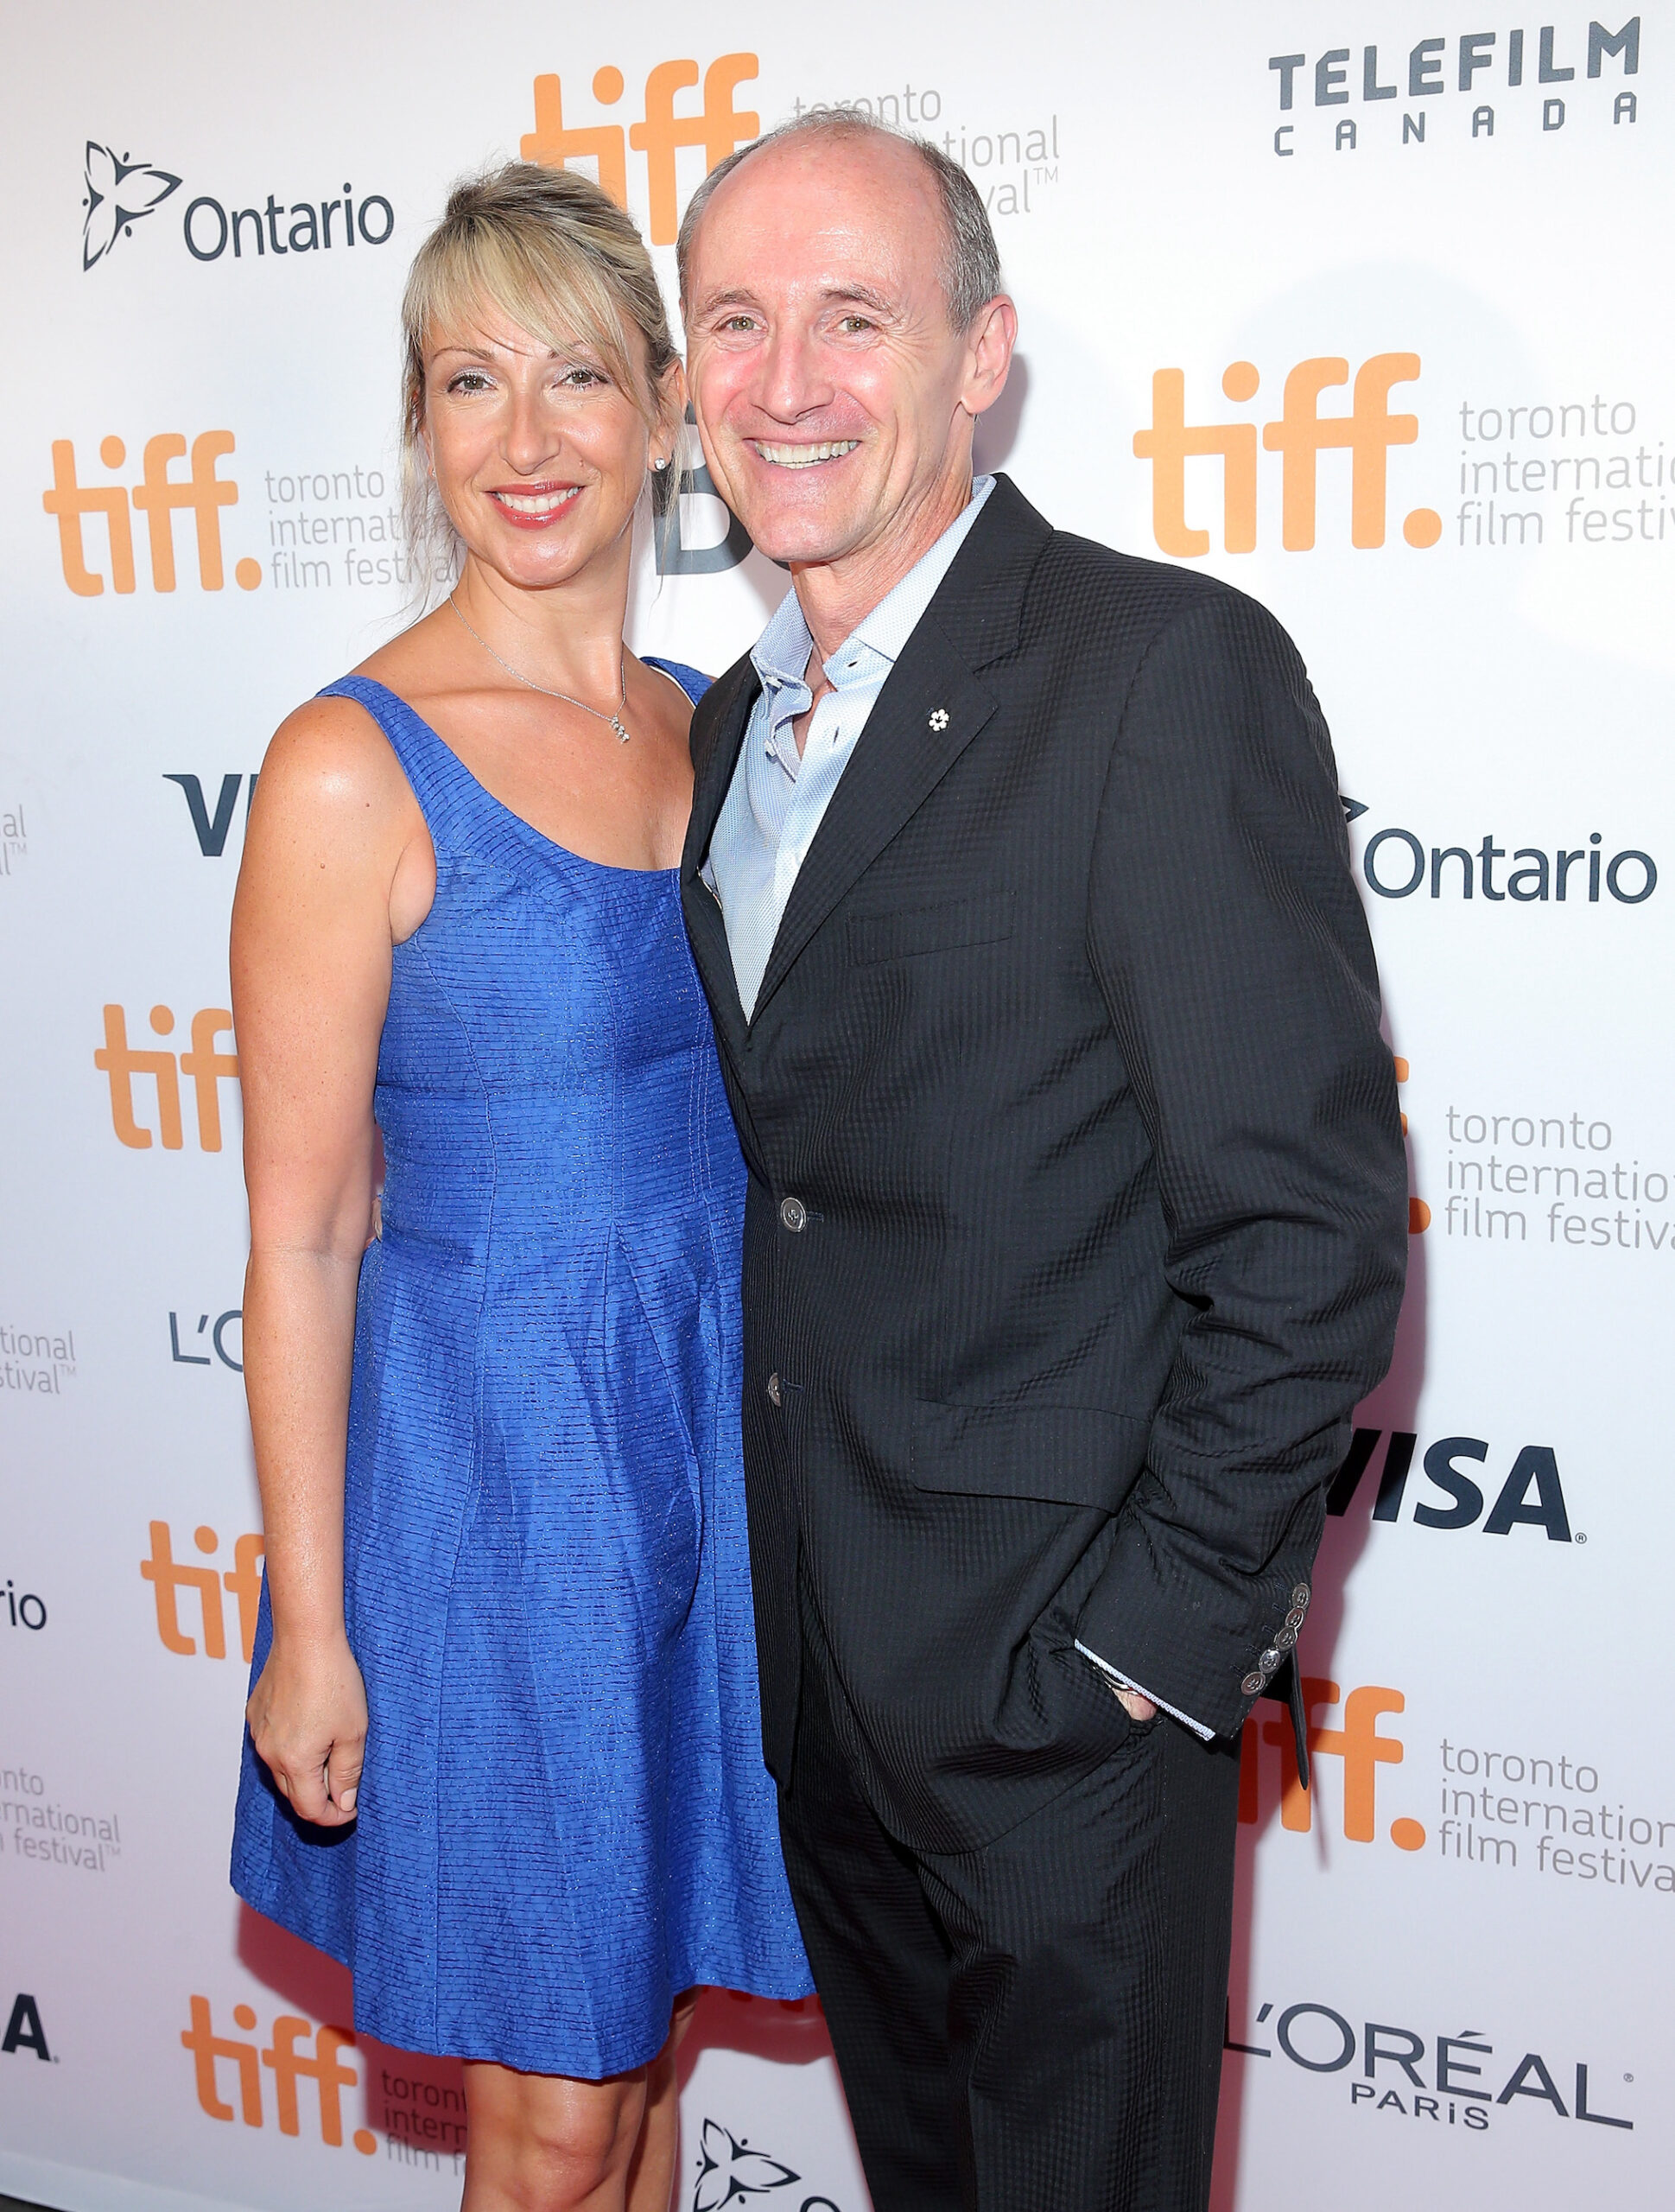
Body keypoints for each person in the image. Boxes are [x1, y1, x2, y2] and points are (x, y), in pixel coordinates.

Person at [675, 114, 1409, 2212]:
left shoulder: (1155, 671)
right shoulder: (732, 728)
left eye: (854, 316)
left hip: (1059, 1717)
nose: (787, 378)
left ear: (981, 351)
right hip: (817, 1688)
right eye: (736, 320)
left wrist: (1139, 1656)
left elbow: (1306, 1228)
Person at [228, 162, 809, 2212]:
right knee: (553, 2117)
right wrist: (313, 1620)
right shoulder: (346, 765)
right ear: (418, 425)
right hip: (487, 1498)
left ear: (665, 412)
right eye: (469, 380)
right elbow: (301, 1233)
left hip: (703, 1466)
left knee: (640, 2077)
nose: (526, 437)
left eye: (576, 375)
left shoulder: (711, 734)